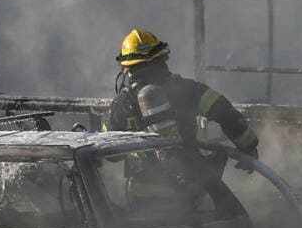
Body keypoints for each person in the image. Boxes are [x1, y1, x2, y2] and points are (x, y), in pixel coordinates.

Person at [104, 28, 259, 160]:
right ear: (163, 59)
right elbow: (225, 113)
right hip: (189, 185)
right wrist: (248, 147)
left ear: (128, 69)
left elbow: (108, 151)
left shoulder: (122, 104)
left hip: (141, 192)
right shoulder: (188, 90)